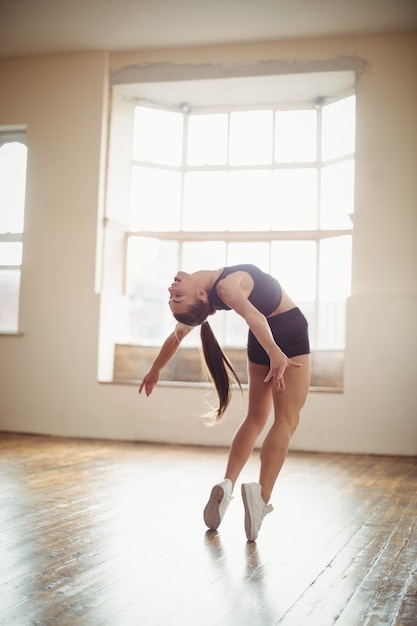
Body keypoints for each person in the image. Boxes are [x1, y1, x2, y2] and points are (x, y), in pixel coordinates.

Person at [139, 263, 311, 541]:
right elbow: (255, 316)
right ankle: (261, 496)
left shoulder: (216, 291)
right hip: (286, 330)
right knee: (286, 419)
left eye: (174, 297)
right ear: (203, 297)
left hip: (260, 338)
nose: (172, 290)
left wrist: (156, 368)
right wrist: (276, 353)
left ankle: (228, 483)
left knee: (255, 418)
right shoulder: (224, 287)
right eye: (177, 297)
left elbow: (177, 335)